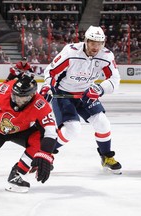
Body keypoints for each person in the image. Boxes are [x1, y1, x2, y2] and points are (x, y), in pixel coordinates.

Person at [40, 25, 122, 174]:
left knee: (103, 123)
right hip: (63, 94)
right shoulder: (70, 52)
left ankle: (106, 156)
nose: (95, 47)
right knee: (72, 129)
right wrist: (47, 86)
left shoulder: (106, 55)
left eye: (99, 43)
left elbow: (115, 79)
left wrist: (99, 89)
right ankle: (45, 153)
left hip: (86, 94)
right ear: (85, 41)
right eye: (92, 42)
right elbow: (51, 72)